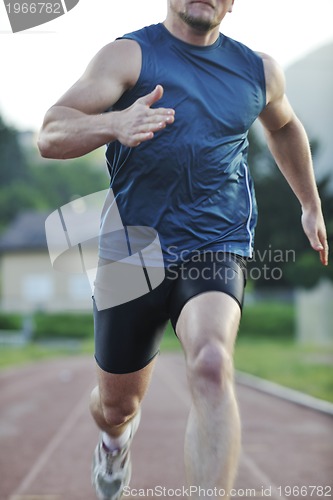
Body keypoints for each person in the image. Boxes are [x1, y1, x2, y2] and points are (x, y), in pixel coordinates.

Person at [38, 1, 329, 498]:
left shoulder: (257, 71)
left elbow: (283, 126)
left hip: (216, 241)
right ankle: (113, 442)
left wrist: (309, 203)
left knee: (213, 363)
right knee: (117, 407)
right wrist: (114, 125)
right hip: (133, 250)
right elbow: (50, 132)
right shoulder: (128, 56)